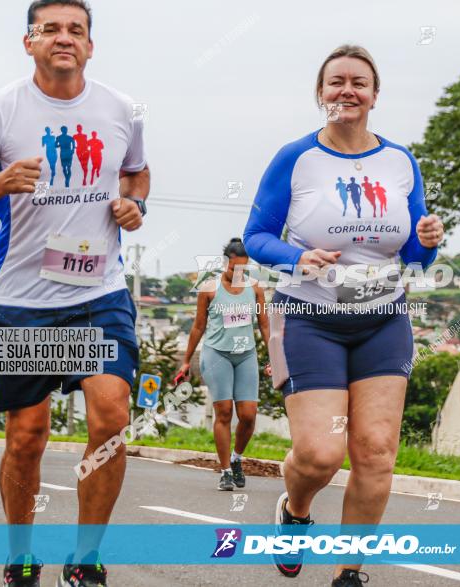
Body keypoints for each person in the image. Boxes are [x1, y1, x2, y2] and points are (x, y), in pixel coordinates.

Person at [0, 1, 149, 585]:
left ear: (90, 44)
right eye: (50, 29)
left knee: (110, 416)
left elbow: (136, 171)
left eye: (75, 30)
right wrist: (0, 181)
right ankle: (21, 553)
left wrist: (136, 204)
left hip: (99, 293)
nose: (64, 38)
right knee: (27, 438)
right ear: (28, 41)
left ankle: (85, 560)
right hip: (25, 302)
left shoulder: (121, 110)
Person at [243, 44, 444, 587]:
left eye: (359, 82)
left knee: (376, 451)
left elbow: (416, 255)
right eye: (336, 82)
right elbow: (255, 236)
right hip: (308, 317)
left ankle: (349, 572)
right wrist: (296, 256)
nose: (347, 91)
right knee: (320, 452)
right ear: (320, 93)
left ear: (375, 95)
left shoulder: (401, 161)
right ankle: (295, 511)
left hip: (383, 319)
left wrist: (428, 242)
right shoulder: (297, 158)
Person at [175, 238, 271, 491]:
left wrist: (274, 358)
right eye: (234, 268)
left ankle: (237, 459)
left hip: (246, 354)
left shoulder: (255, 288)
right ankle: (226, 470)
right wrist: (186, 361)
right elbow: (198, 326)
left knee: (249, 416)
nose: (239, 273)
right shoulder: (209, 288)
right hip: (217, 354)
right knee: (225, 413)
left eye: (244, 269)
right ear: (226, 263)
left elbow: (264, 325)